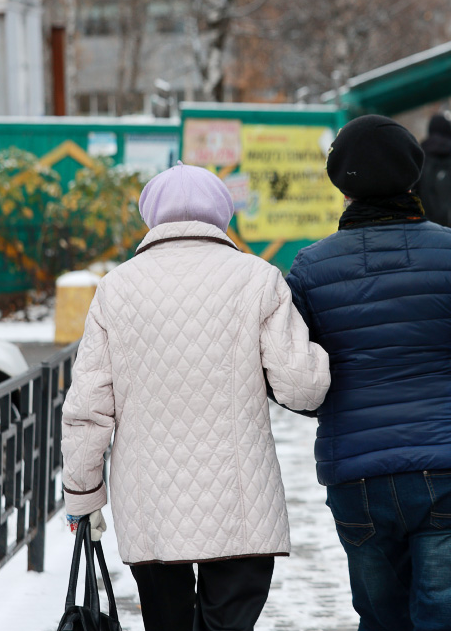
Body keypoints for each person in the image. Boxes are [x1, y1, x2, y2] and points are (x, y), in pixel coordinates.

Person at [284, 115, 451, 631]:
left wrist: (333, 404)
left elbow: (297, 383)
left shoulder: (309, 270)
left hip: (358, 479)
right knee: (449, 617)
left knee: (383, 621)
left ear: (342, 185)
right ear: (414, 179)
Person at [61, 164, 331, 631]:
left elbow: (87, 408)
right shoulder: (258, 278)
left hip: (151, 505)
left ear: (151, 217)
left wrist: (83, 496)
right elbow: (303, 388)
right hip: (241, 501)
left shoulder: (115, 289)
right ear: (222, 215)